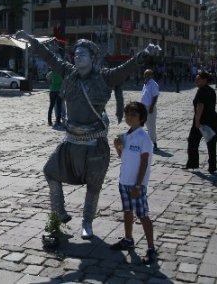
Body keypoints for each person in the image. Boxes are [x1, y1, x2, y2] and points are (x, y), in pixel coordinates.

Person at [15, 30, 160, 239]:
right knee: (50, 171)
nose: (77, 56)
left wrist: (144, 53)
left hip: (94, 144)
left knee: (93, 186)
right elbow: (48, 56)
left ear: (93, 58)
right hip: (71, 140)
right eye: (76, 53)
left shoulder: (105, 77)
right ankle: (59, 213)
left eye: (82, 54)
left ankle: (87, 222)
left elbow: (127, 68)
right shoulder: (68, 72)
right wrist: (30, 40)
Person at [111, 101, 156, 265]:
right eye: (127, 114)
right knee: (127, 211)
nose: (129, 117)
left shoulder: (143, 138)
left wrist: (138, 185)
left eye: (133, 114)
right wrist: (117, 148)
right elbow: (124, 158)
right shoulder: (126, 135)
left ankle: (151, 248)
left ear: (141, 117)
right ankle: (128, 239)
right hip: (124, 181)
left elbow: (144, 163)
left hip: (137, 184)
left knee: (143, 215)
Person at [184, 71, 217, 174]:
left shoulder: (201, 91)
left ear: (204, 80)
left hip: (201, 122)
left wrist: (197, 121)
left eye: (198, 79)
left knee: (193, 142)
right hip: (212, 120)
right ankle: (212, 167)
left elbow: (200, 106)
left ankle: (193, 164)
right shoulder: (212, 91)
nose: (196, 80)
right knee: (211, 144)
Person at [141, 69, 159, 150]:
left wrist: (151, 107)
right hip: (144, 107)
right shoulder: (146, 83)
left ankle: (154, 142)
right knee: (145, 125)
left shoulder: (153, 84)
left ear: (152, 75)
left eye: (148, 75)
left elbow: (155, 96)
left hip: (149, 107)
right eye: (145, 74)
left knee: (151, 126)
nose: (146, 76)